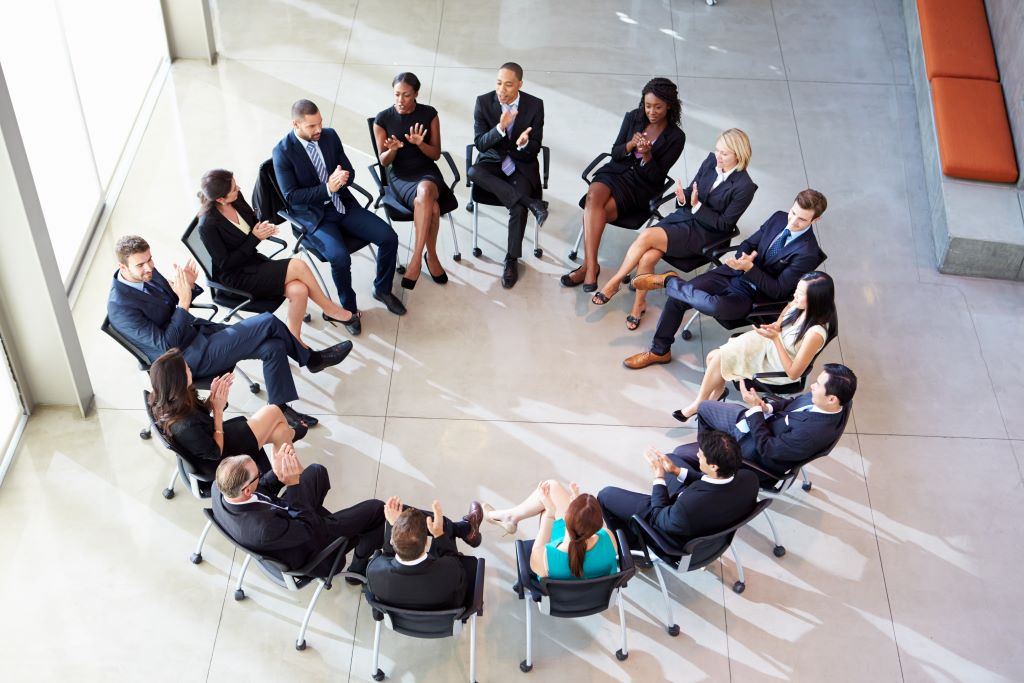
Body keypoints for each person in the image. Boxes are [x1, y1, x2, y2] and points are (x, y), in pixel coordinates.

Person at [107, 235, 352, 429]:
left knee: (273, 346)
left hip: (200, 333)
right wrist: (183, 302)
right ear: (122, 266)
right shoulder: (120, 308)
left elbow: (171, 301)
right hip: (186, 360)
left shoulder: (146, 273)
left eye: (150, 259)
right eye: (141, 264)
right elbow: (165, 346)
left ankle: (279, 409)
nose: (149, 267)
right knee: (267, 321)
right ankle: (312, 359)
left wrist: (188, 286)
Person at [623, 189, 828, 370]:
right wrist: (742, 258)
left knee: (713, 306)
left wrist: (750, 269)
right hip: (732, 272)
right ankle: (659, 351)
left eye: (801, 219)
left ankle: (669, 281)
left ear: (816, 220)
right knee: (678, 298)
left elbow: (778, 290)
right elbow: (749, 243)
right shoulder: (779, 218)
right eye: (793, 212)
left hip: (752, 293)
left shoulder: (807, 253)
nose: (792, 221)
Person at [592, 129, 757, 330]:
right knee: (647, 258)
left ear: (738, 155)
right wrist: (682, 197)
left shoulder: (745, 187)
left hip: (705, 234)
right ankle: (639, 305)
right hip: (684, 218)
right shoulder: (710, 162)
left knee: (647, 235)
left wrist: (697, 206)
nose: (718, 156)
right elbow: (692, 191)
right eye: (717, 150)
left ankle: (615, 281)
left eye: (724, 153)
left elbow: (724, 224)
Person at [272, 99, 406, 320]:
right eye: (312, 126)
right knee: (340, 258)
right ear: (296, 124)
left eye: (320, 123)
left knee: (389, 237)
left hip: (342, 204)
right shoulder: (282, 152)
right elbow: (291, 197)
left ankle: (382, 289)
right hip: (315, 217)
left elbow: (350, 172)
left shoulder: (330, 136)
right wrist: (327, 188)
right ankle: (348, 309)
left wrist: (343, 178)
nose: (319, 129)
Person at [196, 169, 361, 338]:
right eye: (233, 188)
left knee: (299, 291)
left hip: (253, 262)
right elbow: (226, 264)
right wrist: (254, 238)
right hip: (236, 278)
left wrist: (262, 228)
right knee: (297, 266)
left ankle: (295, 341)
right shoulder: (207, 226)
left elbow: (252, 221)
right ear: (220, 199)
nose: (238, 188)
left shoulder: (236, 199)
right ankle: (331, 310)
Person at [561, 77, 686, 292]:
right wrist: (630, 144)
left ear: (669, 105)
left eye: (658, 107)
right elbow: (616, 152)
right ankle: (591, 268)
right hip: (614, 172)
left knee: (596, 213)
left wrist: (647, 155)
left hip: (639, 186)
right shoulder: (633, 117)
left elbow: (657, 177)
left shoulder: (676, 137)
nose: (652, 111)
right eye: (648, 105)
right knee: (592, 198)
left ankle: (587, 268)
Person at [671, 271, 837, 422]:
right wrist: (777, 325)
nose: (795, 295)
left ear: (816, 299)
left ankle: (700, 403)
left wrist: (776, 339)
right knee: (712, 357)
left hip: (777, 362)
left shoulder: (815, 334)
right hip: (768, 343)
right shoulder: (800, 304)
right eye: (797, 290)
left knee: (717, 358)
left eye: (800, 294)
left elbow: (793, 374)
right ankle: (716, 393)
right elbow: (788, 308)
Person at [212, 445, 386, 578]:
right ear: (247, 490)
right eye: (258, 473)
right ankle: (358, 569)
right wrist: (293, 485)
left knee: (316, 472)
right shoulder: (265, 529)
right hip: (310, 544)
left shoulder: (221, 486)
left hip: (285, 521)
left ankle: (326, 518)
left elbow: (262, 489)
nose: (260, 472)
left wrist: (277, 472)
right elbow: (306, 527)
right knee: (377, 509)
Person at [148, 348, 301, 480]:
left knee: (280, 432)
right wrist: (218, 411)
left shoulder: (170, 397)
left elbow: (199, 416)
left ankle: (292, 475)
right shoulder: (185, 426)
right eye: (187, 368)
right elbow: (216, 452)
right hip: (220, 461)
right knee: (273, 411)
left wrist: (213, 398)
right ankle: (292, 439)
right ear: (179, 379)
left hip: (210, 438)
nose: (190, 369)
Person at [683, 363, 857, 478]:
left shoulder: (810, 434)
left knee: (681, 453)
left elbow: (766, 449)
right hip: (763, 421)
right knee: (704, 407)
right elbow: (792, 403)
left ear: (832, 399)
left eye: (818, 385)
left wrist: (755, 410)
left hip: (754, 453)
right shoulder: (833, 402)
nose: (812, 386)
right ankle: (708, 449)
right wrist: (767, 407)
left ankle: (710, 466)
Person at [598, 430, 759, 549]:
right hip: (707, 515)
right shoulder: (749, 479)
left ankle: (632, 547)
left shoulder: (687, 506)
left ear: (713, 466)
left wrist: (659, 477)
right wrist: (675, 471)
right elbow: (711, 482)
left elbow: (657, 516)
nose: (697, 455)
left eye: (701, 455)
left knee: (606, 495)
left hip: (672, 534)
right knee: (673, 458)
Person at [372, 72, 456, 291]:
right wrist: (392, 150)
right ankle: (431, 256)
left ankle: (416, 259)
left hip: (427, 172)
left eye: (406, 95)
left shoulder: (429, 114)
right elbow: (383, 161)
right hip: (401, 177)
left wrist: (420, 143)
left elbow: (435, 154)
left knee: (426, 190)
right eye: (396, 94)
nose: (400, 100)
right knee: (432, 207)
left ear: (416, 94)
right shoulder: (382, 119)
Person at [467, 62, 547, 289]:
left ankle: (511, 259)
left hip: (521, 164)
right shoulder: (483, 102)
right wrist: (500, 129)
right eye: (498, 83)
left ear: (520, 84)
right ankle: (532, 202)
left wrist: (524, 144)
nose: (501, 90)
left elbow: (536, 146)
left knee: (518, 209)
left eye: (508, 85)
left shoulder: (535, 105)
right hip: (492, 162)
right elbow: (480, 144)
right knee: (473, 171)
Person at [365, 496, 484, 611]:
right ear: (427, 542)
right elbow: (451, 558)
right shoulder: (451, 571)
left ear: (392, 541)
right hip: (445, 605)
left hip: (404, 618)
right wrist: (439, 535)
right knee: (443, 530)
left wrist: (392, 525)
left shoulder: (374, 572)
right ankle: (465, 529)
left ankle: (465, 529)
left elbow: (387, 556)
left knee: (407, 519)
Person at [483, 481, 619, 580]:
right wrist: (580, 511)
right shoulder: (609, 539)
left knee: (551, 487)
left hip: (558, 602)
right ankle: (509, 517)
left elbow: (539, 553)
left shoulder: (546, 557)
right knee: (552, 488)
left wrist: (549, 512)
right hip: (596, 597)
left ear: (566, 519)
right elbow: (593, 530)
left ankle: (509, 517)